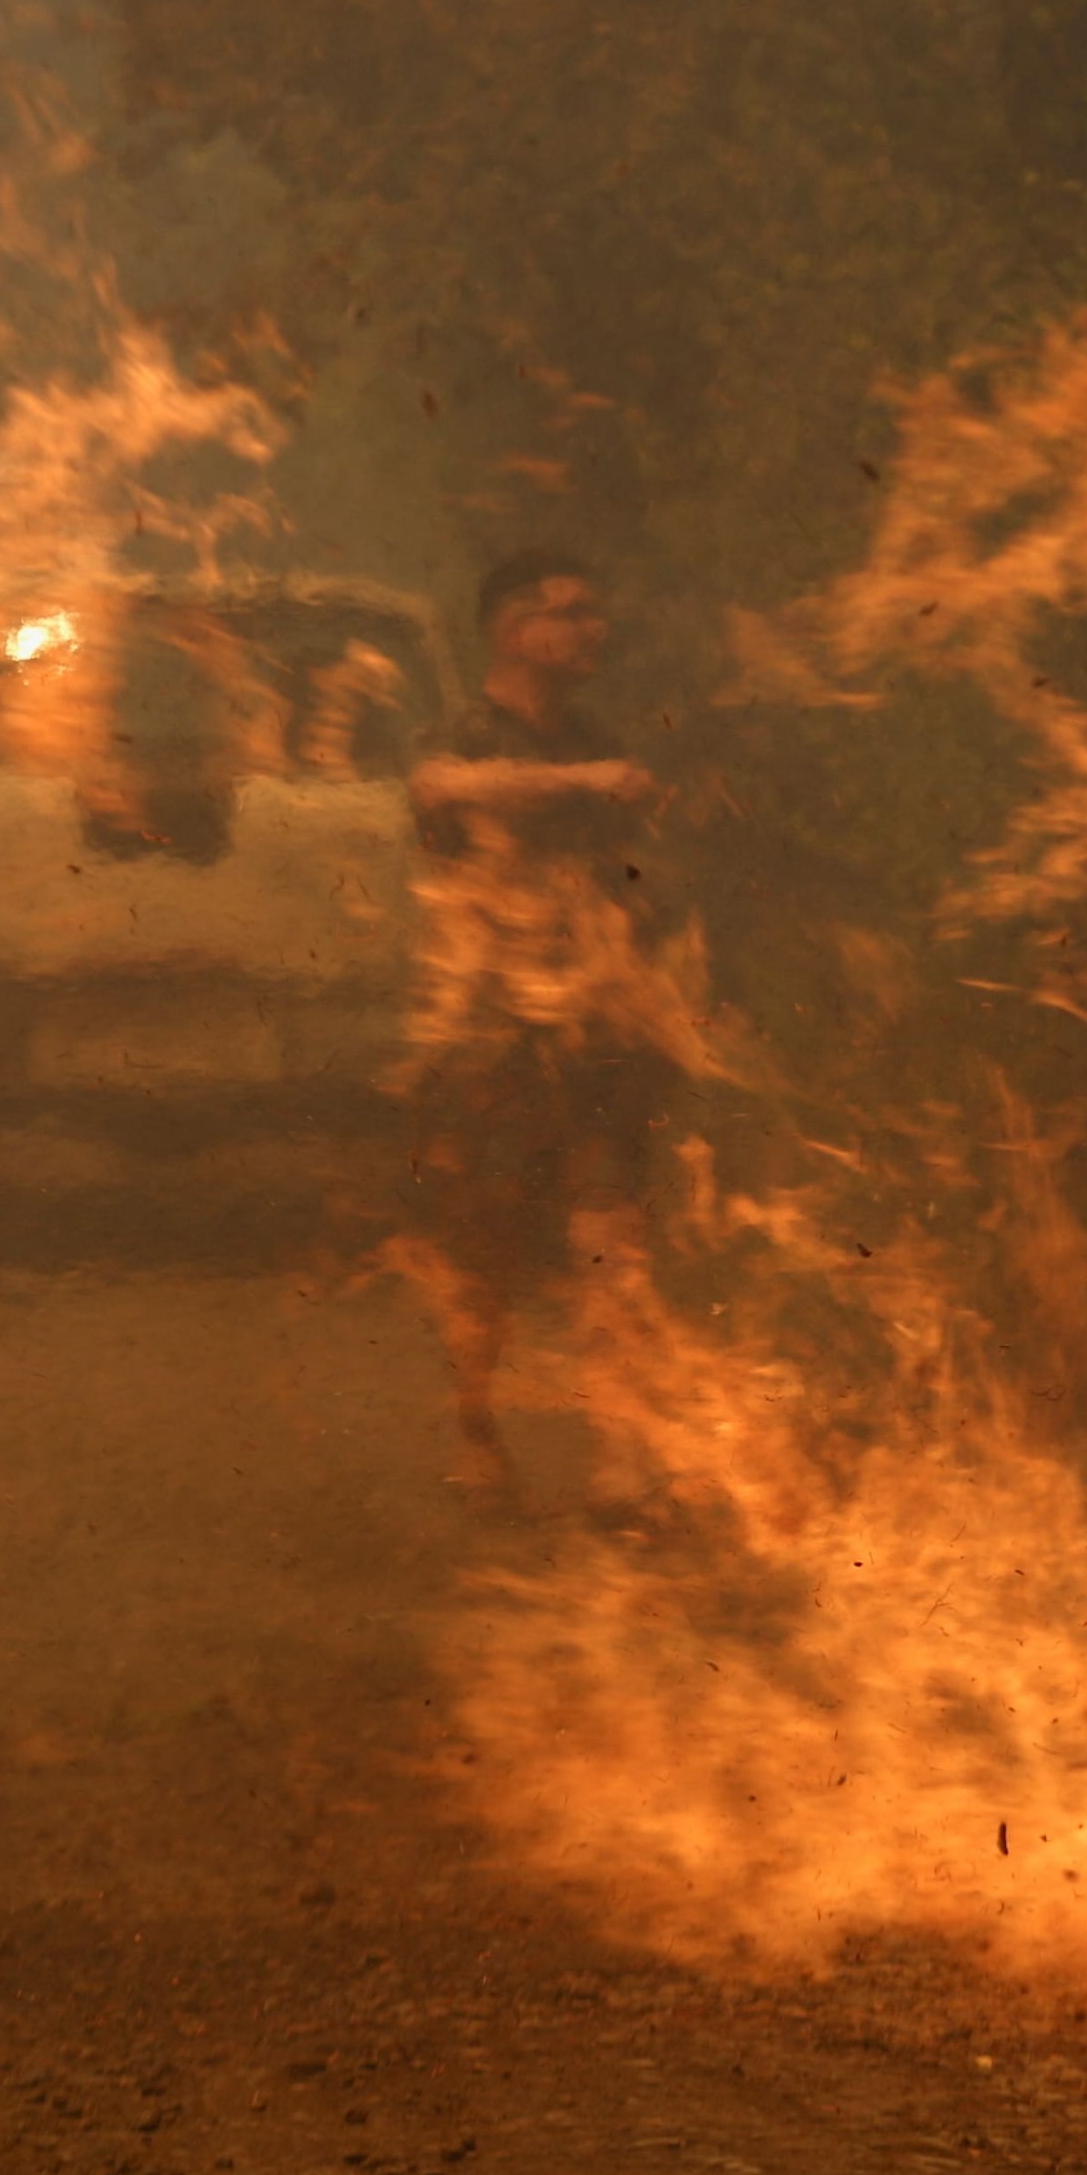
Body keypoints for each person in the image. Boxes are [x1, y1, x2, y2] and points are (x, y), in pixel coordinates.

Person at [400, 549, 681, 1508]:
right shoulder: (463, 732)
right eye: (575, 613)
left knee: (613, 1232)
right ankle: (477, 1434)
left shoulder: (602, 738)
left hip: (595, 1026)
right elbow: (444, 790)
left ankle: (619, 1458)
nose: (595, 631)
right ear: (516, 630)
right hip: (488, 1028)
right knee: (484, 1249)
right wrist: (584, 782)